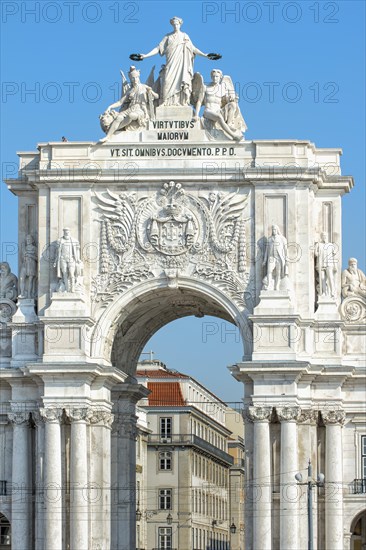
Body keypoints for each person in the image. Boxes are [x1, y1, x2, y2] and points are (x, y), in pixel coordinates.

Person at [136, 17, 209, 106]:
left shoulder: (185, 36)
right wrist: (146, 55)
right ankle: (165, 102)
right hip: (171, 63)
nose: (175, 26)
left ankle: (181, 102)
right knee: (167, 81)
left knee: (182, 81)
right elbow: (158, 48)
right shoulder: (168, 37)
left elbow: (193, 49)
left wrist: (205, 55)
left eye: (177, 24)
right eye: (174, 24)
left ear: (180, 24)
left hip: (182, 65)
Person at [99, 66, 159, 142]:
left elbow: (157, 96)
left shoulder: (144, 87)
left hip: (140, 110)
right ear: (131, 79)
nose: (135, 80)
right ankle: (108, 136)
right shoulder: (130, 91)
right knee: (119, 118)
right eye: (133, 78)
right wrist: (110, 107)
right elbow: (120, 102)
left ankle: (114, 129)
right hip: (130, 108)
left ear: (138, 77)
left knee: (131, 116)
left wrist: (151, 91)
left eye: (136, 77)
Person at [194, 69, 245, 141]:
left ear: (220, 77)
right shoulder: (205, 87)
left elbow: (226, 101)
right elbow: (199, 101)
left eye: (217, 77)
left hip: (218, 111)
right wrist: (196, 115)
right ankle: (233, 135)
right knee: (219, 117)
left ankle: (229, 124)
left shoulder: (222, 88)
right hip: (208, 111)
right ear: (211, 77)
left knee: (233, 105)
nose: (215, 78)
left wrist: (233, 99)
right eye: (213, 76)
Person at [54, 228, 81, 292]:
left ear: (69, 232)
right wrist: (55, 261)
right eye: (65, 232)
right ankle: (67, 288)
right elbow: (57, 252)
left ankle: (73, 287)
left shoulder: (74, 241)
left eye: (67, 232)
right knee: (65, 274)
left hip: (71, 259)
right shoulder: (60, 241)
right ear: (63, 232)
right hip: (62, 259)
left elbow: (77, 251)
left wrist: (78, 259)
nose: (66, 233)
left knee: (72, 274)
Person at [262, 225, 288, 291]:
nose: (274, 231)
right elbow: (266, 251)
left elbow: (285, 249)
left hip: (279, 258)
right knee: (269, 271)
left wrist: (286, 258)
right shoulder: (269, 239)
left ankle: (276, 287)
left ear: (277, 230)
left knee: (278, 273)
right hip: (271, 257)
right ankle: (269, 285)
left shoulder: (282, 238)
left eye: (275, 229)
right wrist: (265, 260)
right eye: (273, 229)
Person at [314, 232, 337, 298]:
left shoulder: (331, 245)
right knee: (322, 278)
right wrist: (317, 253)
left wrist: (335, 266)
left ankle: (333, 292)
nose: (324, 237)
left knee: (330, 277)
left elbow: (334, 256)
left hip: (329, 263)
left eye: (325, 235)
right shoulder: (318, 244)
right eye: (323, 235)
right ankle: (324, 292)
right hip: (320, 263)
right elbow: (316, 253)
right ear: (321, 237)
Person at [19, 234, 37, 298]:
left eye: (29, 239)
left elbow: (37, 258)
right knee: (21, 278)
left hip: (32, 264)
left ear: (32, 240)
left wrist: (30, 255)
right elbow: (21, 258)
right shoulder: (24, 248)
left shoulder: (34, 248)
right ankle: (22, 293)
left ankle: (29, 294)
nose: (28, 241)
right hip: (25, 264)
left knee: (30, 280)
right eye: (27, 240)